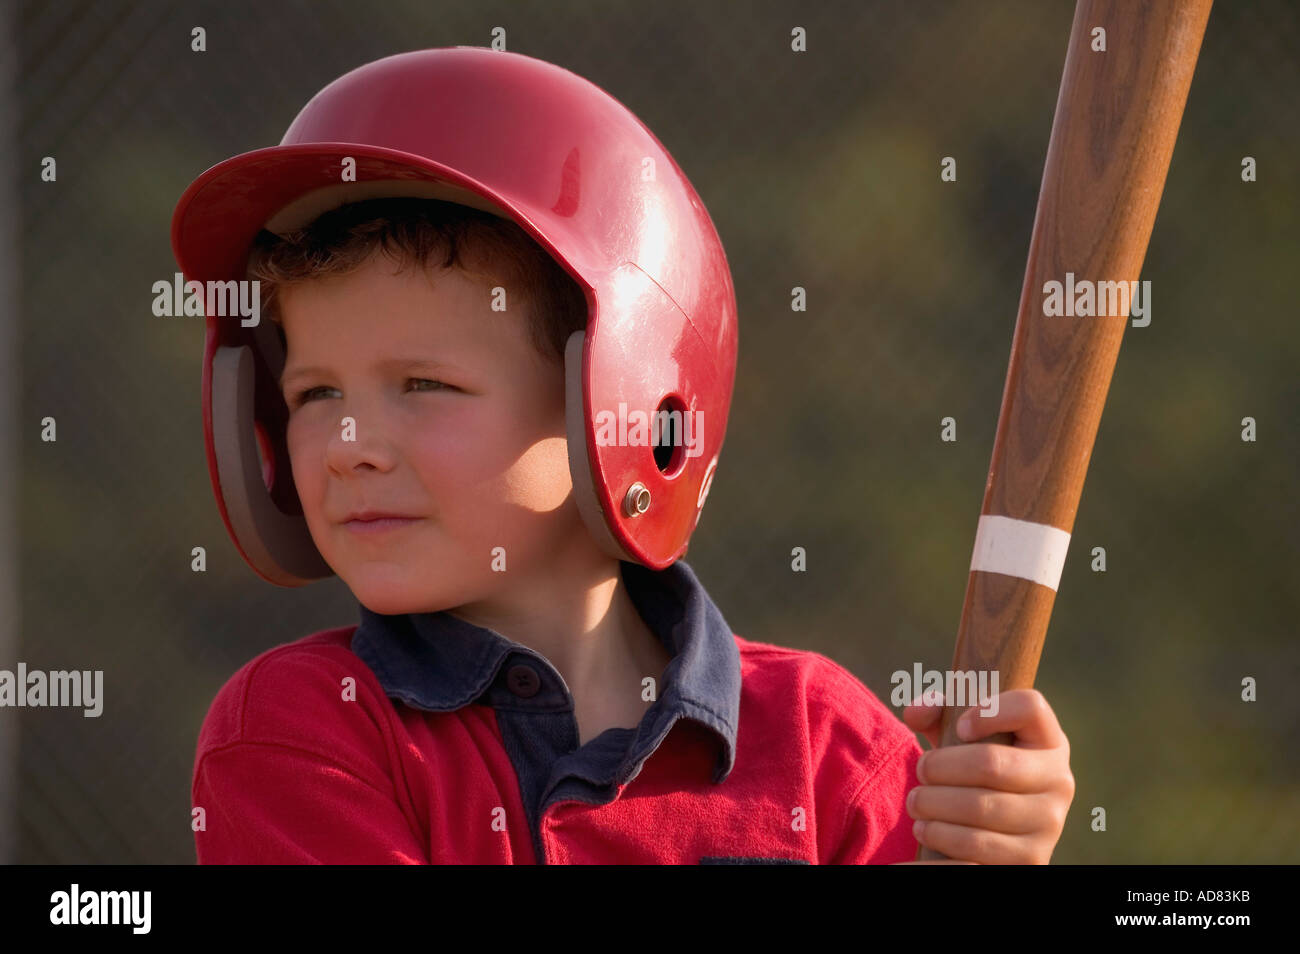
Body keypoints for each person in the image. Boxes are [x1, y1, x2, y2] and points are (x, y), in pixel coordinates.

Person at [172, 47, 1073, 864]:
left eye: (422, 386)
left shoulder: (830, 747)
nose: (348, 449)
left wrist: (987, 850)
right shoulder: (302, 731)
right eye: (314, 394)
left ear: (628, 404)